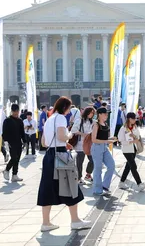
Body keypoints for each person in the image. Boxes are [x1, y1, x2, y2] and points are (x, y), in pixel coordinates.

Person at [38, 96, 91, 232]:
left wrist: (61, 141)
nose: (69, 111)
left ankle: (46, 222)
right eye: (69, 108)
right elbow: (62, 136)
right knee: (70, 186)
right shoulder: (60, 118)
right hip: (61, 155)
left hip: (49, 155)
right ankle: (75, 220)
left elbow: (44, 142)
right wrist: (69, 135)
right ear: (65, 107)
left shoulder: (49, 118)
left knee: (47, 187)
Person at [117, 112, 145, 191]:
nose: (135, 120)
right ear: (129, 119)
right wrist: (130, 142)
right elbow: (120, 140)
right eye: (134, 118)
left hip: (134, 149)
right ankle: (139, 183)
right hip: (126, 149)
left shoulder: (135, 127)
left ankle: (121, 182)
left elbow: (138, 137)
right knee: (133, 166)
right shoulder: (123, 128)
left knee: (128, 166)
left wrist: (135, 138)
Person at [91, 107, 116, 196]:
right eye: (105, 114)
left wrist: (111, 139)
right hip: (97, 148)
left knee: (111, 165)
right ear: (99, 114)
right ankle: (97, 190)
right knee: (98, 169)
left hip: (104, 147)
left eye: (107, 114)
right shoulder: (96, 124)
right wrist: (107, 141)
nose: (106, 115)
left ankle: (105, 186)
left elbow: (103, 138)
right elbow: (94, 139)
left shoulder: (105, 124)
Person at [71, 107, 95, 184]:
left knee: (93, 160)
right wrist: (83, 134)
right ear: (86, 112)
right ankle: (79, 177)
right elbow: (73, 130)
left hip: (90, 144)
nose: (92, 114)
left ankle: (88, 174)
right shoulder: (79, 120)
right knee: (79, 162)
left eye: (93, 113)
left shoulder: (93, 122)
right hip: (80, 144)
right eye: (90, 113)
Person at [2, 104, 26, 182]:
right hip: (10, 143)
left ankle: (14, 175)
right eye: (14, 112)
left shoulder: (20, 121)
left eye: (17, 111)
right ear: (11, 111)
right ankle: (6, 170)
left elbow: (22, 132)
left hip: (18, 142)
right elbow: (4, 132)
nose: (16, 113)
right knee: (13, 158)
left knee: (17, 159)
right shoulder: (7, 120)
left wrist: (24, 141)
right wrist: (5, 142)